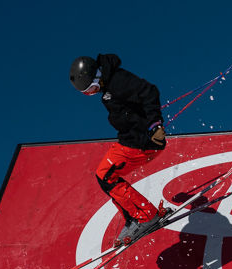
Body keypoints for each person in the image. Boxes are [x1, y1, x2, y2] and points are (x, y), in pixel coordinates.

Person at [69, 54, 171, 246]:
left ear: (96, 76)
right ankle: (133, 218)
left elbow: (149, 91)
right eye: (87, 93)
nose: (92, 93)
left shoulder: (117, 80)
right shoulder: (107, 87)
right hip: (130, 140)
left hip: (142, 142)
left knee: (107, 176)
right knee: (103, 176)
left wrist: (155, 125)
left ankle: (146, 215)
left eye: (91, 89)